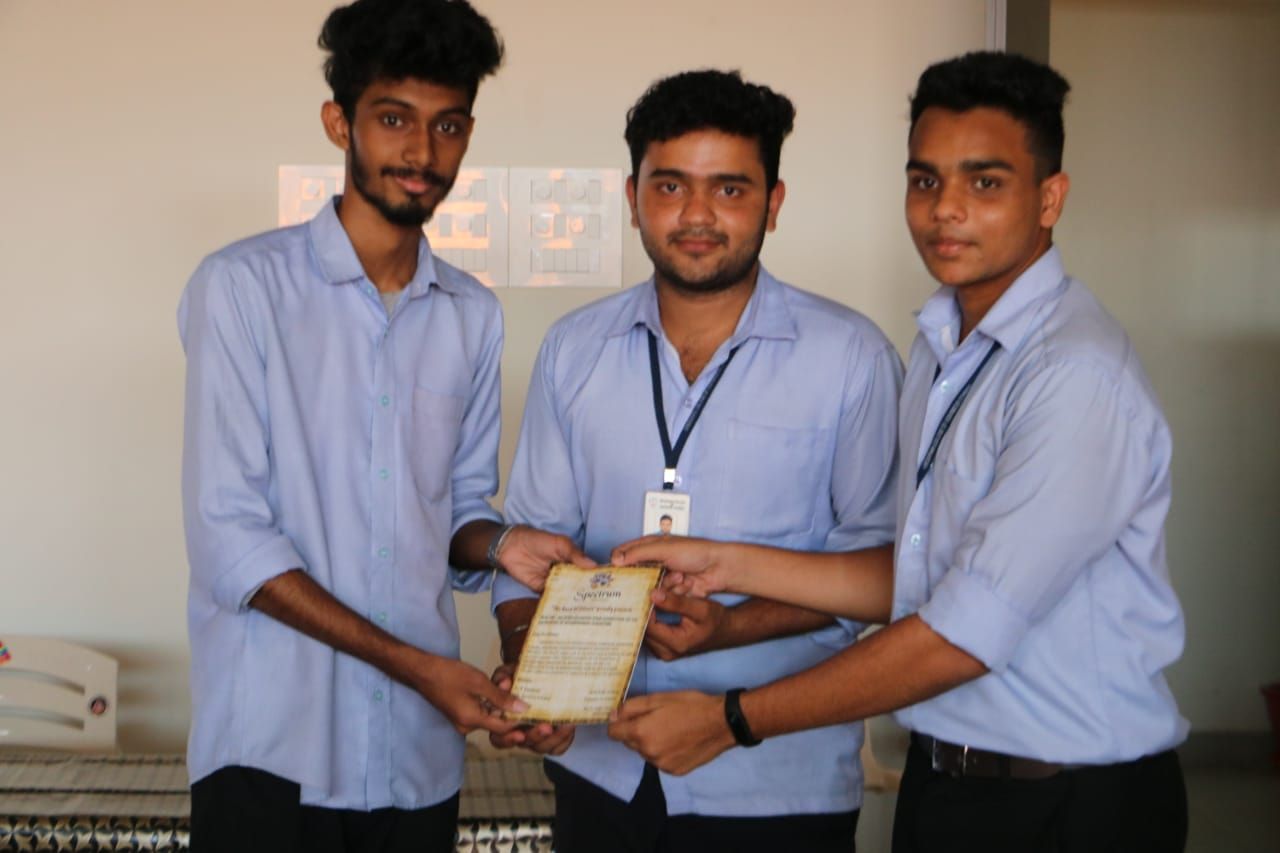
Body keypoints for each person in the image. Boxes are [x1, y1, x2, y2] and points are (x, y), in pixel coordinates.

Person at [609, 51, 1189, 853]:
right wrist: (723, 563)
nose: (946, 208)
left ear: (1050, 197)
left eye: (985, 182)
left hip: (1070, 799)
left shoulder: (1074, 374)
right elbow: (914, 577)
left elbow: (960, 632)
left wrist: (731, 718)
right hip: (947, 779)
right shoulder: (945, 345)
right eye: (926, 180)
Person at [178, 1, 590, 850]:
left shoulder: (472, 314)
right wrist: (419, 669)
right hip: (270, 751)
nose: (423, 152)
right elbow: (229, 541)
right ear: (340, 124)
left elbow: (456, 510)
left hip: (416, 762)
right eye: (394, 119)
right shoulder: (243, 288)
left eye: (448, 125)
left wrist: (502, 545)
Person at [489, 69, 902, 852]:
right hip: (600, 770)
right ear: (632, 197)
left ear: (774, 203)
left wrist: (732, 628)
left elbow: (881, 574)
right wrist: (529, 671)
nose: (698, 215)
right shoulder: (574, 349)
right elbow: (530, 548)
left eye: (730, 189)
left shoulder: (852, 358)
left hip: (775, 780)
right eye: (671, 185)